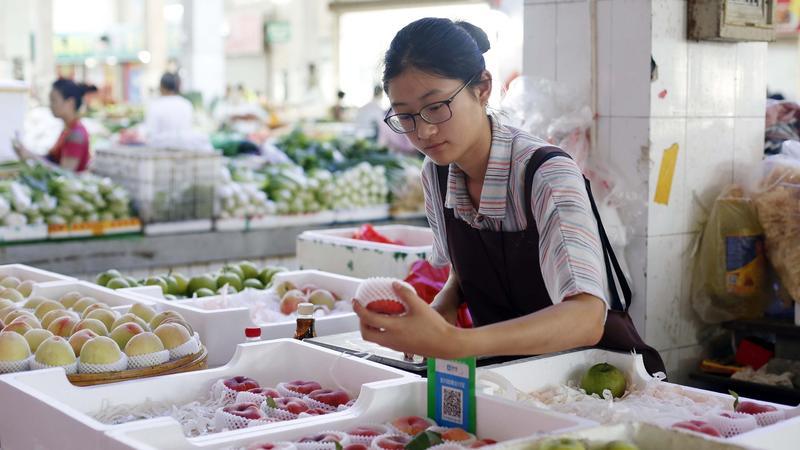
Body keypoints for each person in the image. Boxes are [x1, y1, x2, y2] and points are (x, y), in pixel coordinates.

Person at [351, 18, 666, 375]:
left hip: (595, 378)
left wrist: (457, 343)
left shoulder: (545, 174)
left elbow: (587, 317)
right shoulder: (436, 174)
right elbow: (467, 266)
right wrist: (446, 303)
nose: (423, 131)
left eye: (436, 106)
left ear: (482, 88)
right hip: (509, 377)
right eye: (405, 116)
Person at [12, 78, 96, 172]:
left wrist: (31, 157)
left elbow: (65, 174)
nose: (51, 105)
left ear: (70, 103)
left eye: (54, 100)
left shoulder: (76, 135)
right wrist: (29, 154)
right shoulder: (68, 129)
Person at [144, 72, 194, 143]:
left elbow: (150, 132)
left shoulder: (155, 106)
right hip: (183, 148)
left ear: (161, 86)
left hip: (159, 149)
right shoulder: (186, 104)